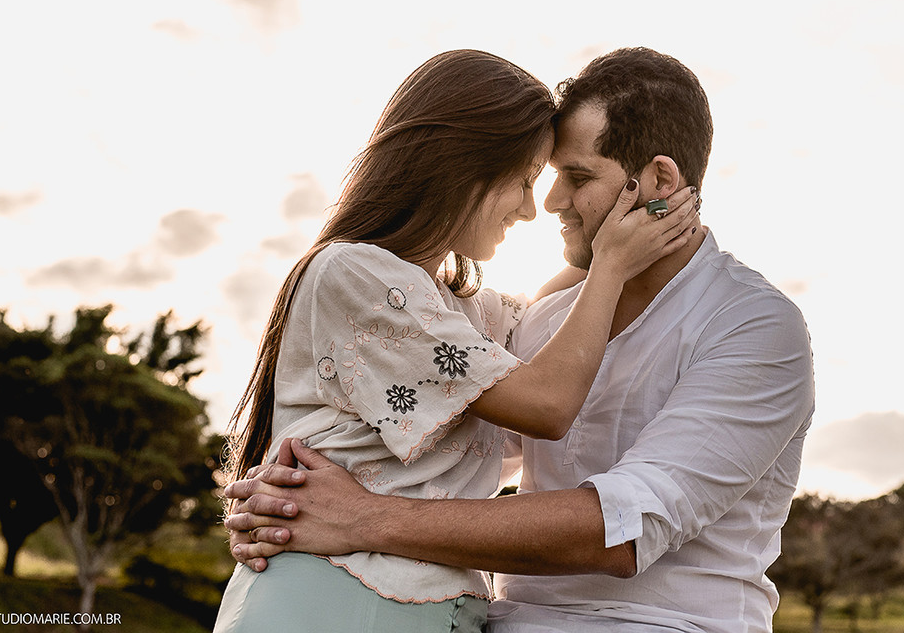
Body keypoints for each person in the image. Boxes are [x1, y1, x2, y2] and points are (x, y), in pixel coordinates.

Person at [225, 47, 815, 632]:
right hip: (475, 618)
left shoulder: (753, 326)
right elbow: (465, 431)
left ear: (659, 180)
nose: (550, 203)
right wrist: (283, 499)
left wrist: (363, 517)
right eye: (538, 179)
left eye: (576, 178)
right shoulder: (540, 319)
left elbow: (623, 532)